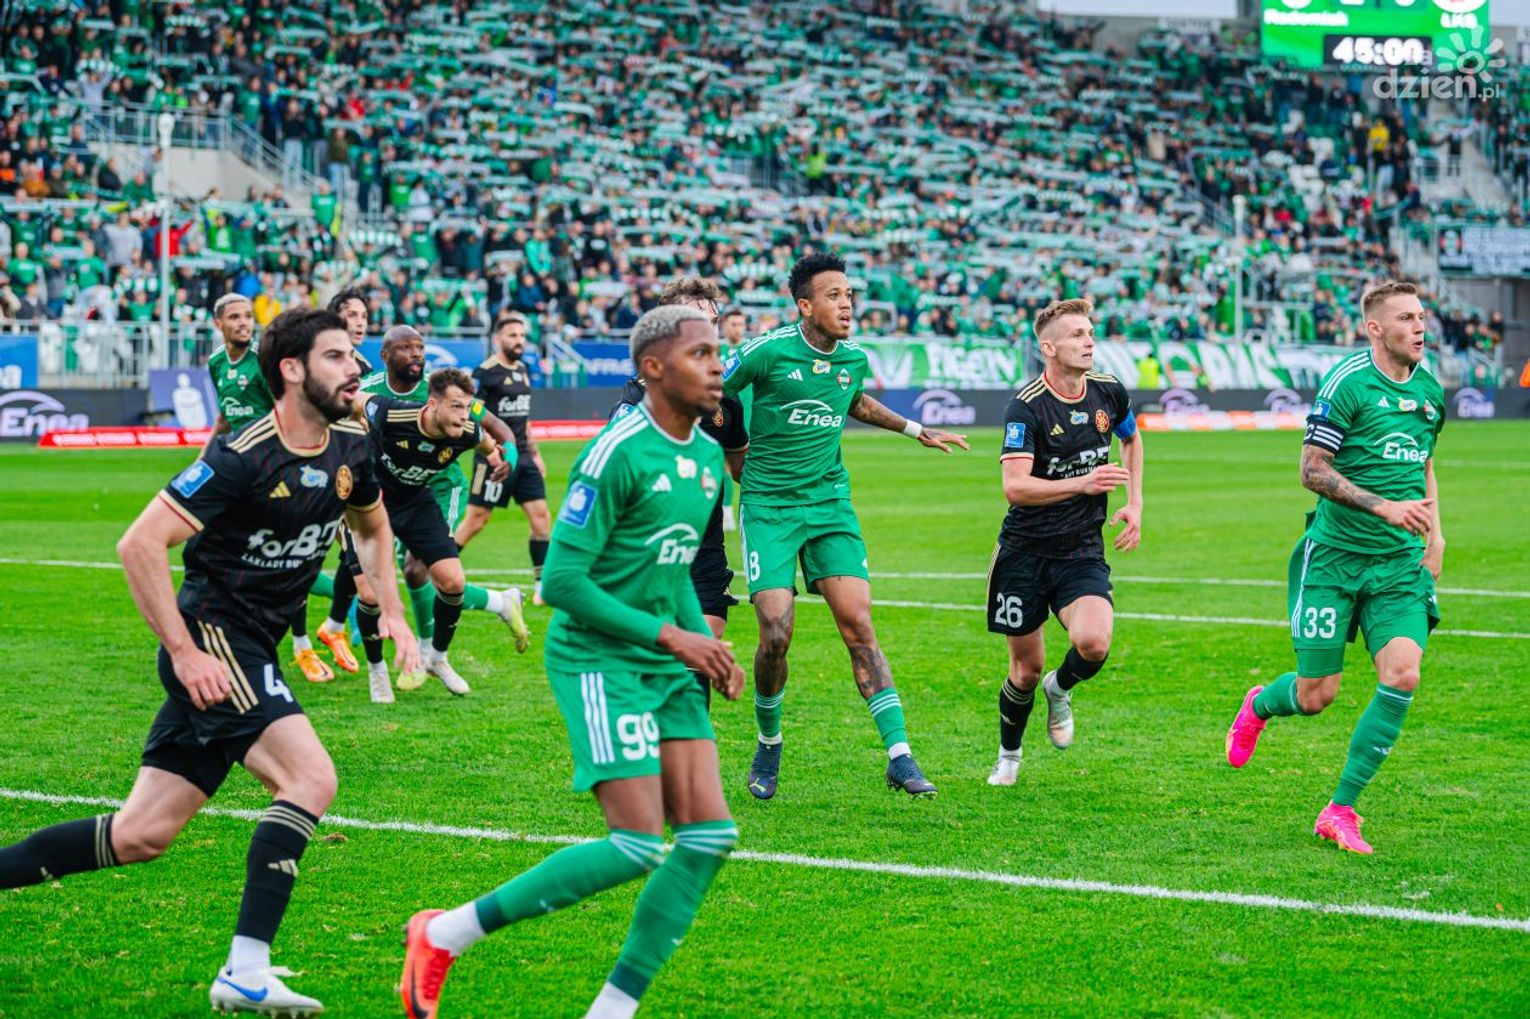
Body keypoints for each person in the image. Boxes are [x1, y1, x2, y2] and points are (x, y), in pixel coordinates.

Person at [0, 308, 418, 1016]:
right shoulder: (241, 455)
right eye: (338, 356)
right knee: (311, 776)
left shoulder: (352, 442)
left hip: (249, 647)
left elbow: (373, 525)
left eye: (355, 356)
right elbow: (139, 543)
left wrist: (394, 611)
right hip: (217, 640)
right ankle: (246, 969)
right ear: (292, 369)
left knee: (140, 835)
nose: (356, 367)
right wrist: (185, 652)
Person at [399, 304, 743, 1019]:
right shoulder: (617, 451)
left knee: (710, 836)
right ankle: (445, 932)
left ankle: (612, 1008)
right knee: (637, 843)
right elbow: (559, 582)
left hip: (660, 658)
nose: (718, 366)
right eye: (702, 354)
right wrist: (676, 638)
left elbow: (674, 565)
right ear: (653, 368)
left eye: (719, 352)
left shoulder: (708, 458)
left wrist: (702, 643)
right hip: (598, 658)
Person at [722, 252, 968, 800]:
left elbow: (853, 399)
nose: (847, 304)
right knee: (775, 633)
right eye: (833, 295)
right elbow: (713, 389)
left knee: (859, 626)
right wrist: (729, 447)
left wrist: (915, 430)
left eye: (849, 295)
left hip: (829, 505)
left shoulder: (852, 358)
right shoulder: (766, 351)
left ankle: (900, 757)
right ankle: (769, 741)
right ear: (804, 306)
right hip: (769, 507)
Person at [1225, 280, 1445, 855]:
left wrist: (1437, 531)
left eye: (1421, 316)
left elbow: (1423, 462)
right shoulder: (1347, 383)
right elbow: (1312, 470)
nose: (1420, 326)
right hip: (1334, 559)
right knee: (1316, 695)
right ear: (1375, 328)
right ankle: (1259, 704)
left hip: (1398, 565)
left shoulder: (1429, 390)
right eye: (1406, 318)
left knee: (1403, 673)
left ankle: (1340, 809)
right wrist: (1383, 507)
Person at [984, 299, 1144, 786]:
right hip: (1024, 553)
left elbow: (1132, 439)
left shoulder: (1109, 391)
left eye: (1090, 333)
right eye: (1077, 335)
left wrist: (1135, 503)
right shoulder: (1027, 405)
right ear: (1049, 347)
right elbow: (1015, 487)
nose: (1089, 341)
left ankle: (1061, 688)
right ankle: (1009, 757)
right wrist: (1084, 483)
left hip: (1080, 549)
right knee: (1024, 671)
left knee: (1093, 643)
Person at [611, 277, 749, 703]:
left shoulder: (725, 401)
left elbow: (743, 469)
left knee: (702, 651)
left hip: (704, 549)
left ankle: (688, 742)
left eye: (713, 322)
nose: (709, 332)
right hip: (647, 552)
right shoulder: (636, 402)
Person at [351, 367, 517, 698]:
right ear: (432, 404)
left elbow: (489, 442)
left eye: (466, 407)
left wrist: (502, 458)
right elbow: (351, 401)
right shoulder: (391, 413)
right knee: (369, 595)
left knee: (453, 582)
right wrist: (346, 434)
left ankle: (437, 658)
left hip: (416, 502)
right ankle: (377, 670)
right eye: (455, 406)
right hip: (370, 500)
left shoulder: (468, 431)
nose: (464, 415)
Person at [202, 293, 337, 684]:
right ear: (218, 324)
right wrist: (204, 461)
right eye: (235, 317)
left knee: (282, 559)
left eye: (248, 316)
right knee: (242, 556)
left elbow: (289, 408)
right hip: (236, 471)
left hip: (275, 468)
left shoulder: (264, 361)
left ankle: (303, 643)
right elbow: (225, 417)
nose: (244, 323)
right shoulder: (216, 362)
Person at [453, 312, 553, 606]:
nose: (519, 341)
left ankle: (541, 588)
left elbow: (524, 418)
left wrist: (535, 454)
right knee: (476, 520)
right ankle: (438, 566)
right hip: (493, 458)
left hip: (523, 457)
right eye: (512, 335)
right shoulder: (485, 373)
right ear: (498, 339)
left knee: (541, 518)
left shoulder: (523, 369)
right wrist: (491, 451)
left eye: (522, 335)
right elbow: (474, 417)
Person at [313, 287, 377, 674]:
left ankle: (334, 626)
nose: (360, 322)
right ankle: (312, 637)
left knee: (355, 556)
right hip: (320, 471)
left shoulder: (365, 367)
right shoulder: (318, 361)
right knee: (298, 557)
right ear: (335, 318)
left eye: (364, 316)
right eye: (352, 314)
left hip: (352, 477)